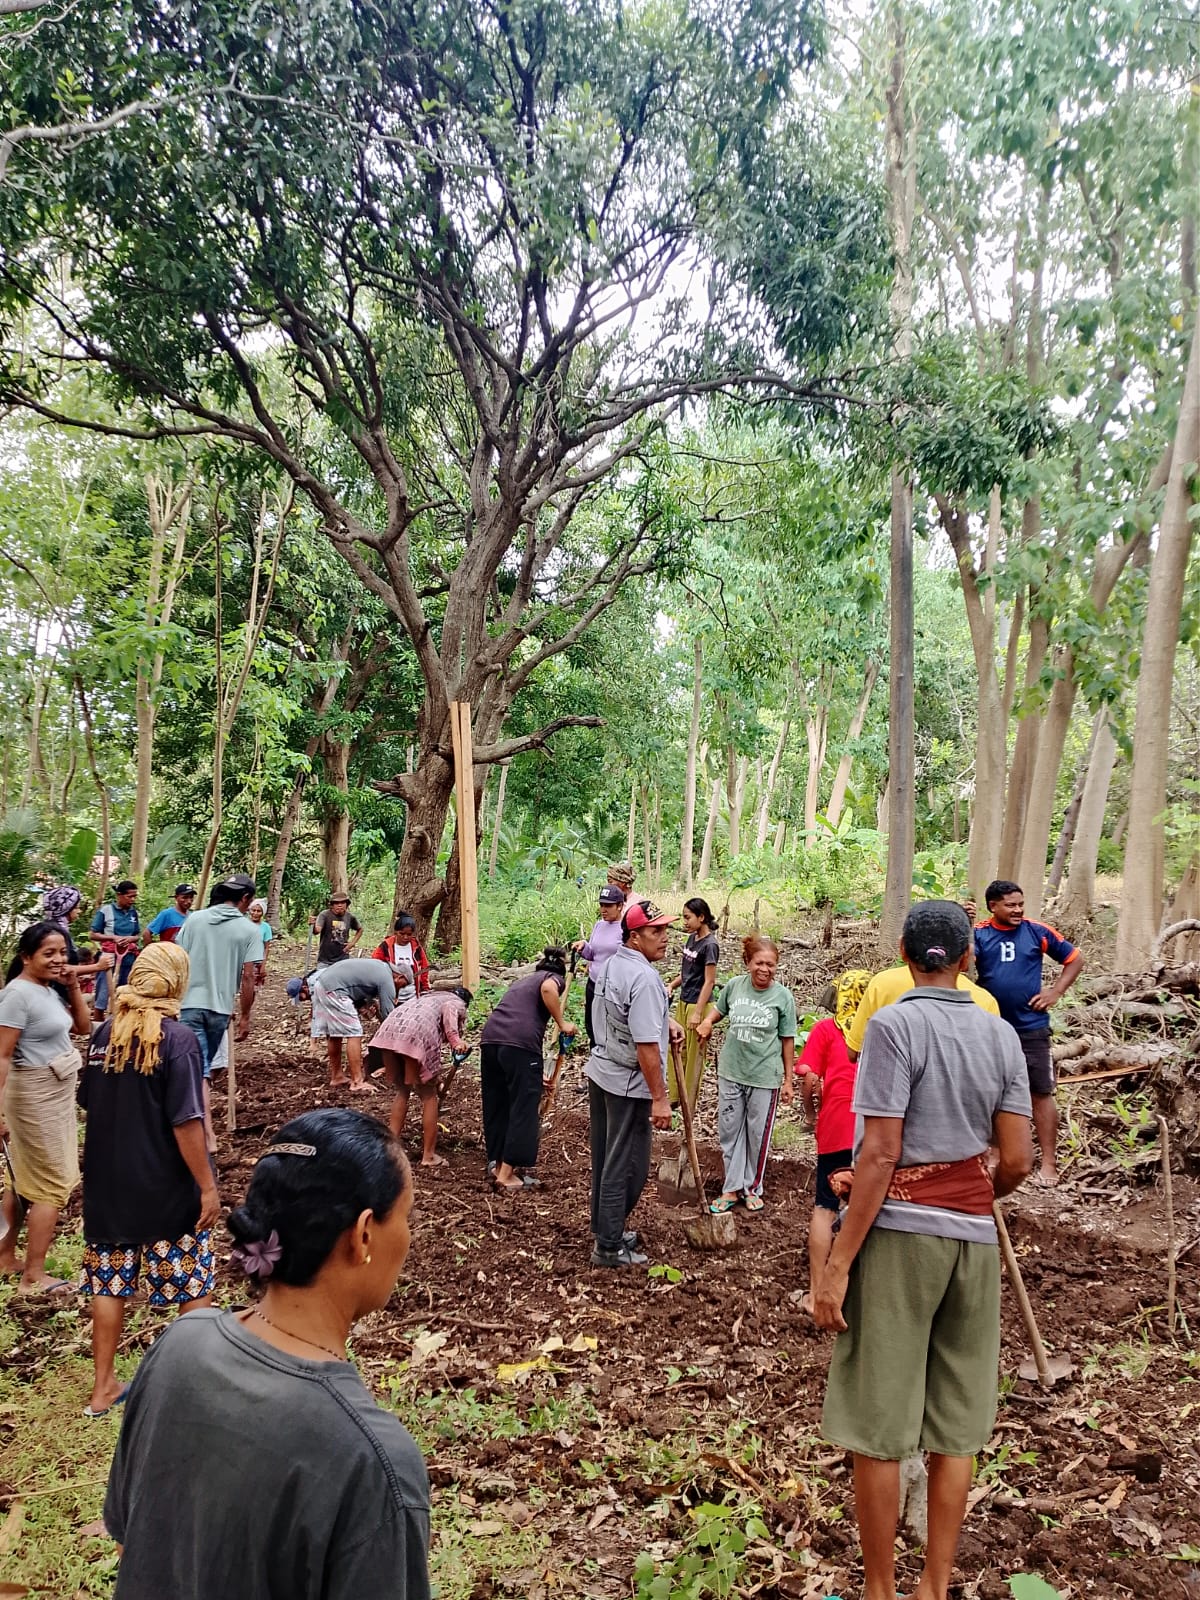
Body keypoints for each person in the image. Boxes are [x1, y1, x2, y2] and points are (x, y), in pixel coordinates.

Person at [102, 1109, 431, 1600]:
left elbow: (132, 1544)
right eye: (406, 1217)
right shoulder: (373, 1462)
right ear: (364, 1234)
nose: (408, 1236)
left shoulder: (178, 1346)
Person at [813, 901, 1034, 1600]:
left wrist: (837, 1264)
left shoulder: (894, 1025)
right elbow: (1018, 1160)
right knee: (956, 1425)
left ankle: (881, 1589)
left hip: (901, 1242)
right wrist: (968, 1189)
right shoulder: (1000, 1035)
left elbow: (880, 1153)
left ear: (904, 955)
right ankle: (934, 1586)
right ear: (968, 958)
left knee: (880, 1421)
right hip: (974, 1245)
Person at [78, 943, 220, 1417]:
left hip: (107, 1186)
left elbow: (87, 1099)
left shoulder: (104, 1034)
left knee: (109, 1283)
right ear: (176, 980)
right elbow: (186, 1121)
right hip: (164, 1186)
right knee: (192, 1283)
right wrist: (207, 1186)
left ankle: (102, 1388)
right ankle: (189, 1390)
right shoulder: (177, 1040)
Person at [586, 900, 682, 1269]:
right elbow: (645, 1046)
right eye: (656, 931)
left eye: (666, 929)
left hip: (603, 1072)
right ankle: (609, 1246)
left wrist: (664, 1019)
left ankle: (606, 1228)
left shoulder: (614, 963)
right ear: (635, 937)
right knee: (628, 1165)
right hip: (627, 1083)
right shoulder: (645, 979)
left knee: (606, 1158)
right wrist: (660, 1098)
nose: (665, 937)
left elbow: (623, 1013)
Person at [0, 922, 91, 1293]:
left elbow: (83, 1027)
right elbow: (2, 1056)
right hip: (32, 1098)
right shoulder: (17, 995)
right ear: (26, 957)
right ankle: (33, 1276)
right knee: (52, 1184)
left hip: (55, 1095)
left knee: (21, 1181)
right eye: (48, 953)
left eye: (62, 952)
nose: (58, 959)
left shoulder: (48, 990)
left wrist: (72, 985)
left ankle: (5, 1257)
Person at [973, 879, 1083, 1187]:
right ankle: (994, 1153)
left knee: (1041, 1093)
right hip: (991, 1027)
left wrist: (1056, 992)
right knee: (992, 1090)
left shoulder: (1037, 931)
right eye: (1010, 905)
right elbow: (963, 962)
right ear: (993, 906)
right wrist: (965, 926)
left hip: (1031, 1027)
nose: (1018, 910)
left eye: (1020, 904)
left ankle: (1048, 1161)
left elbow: (1075, 959)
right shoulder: (980, 933)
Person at [694, 934, 796, 1214]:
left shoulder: (783, 997)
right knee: (729, 1132)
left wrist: (788, 1081)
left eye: (771, 964)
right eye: (759, 963)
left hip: (764, 1076)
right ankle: (731, 1188)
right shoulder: (735, 987)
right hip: (731, 1071)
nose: (765, 969)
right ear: (748, 963)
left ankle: (751, 1188)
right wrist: (707, 1021)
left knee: (756, 1135)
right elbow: (719, 1011)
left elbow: (788, 1039)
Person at [798, 968, 871, 1313]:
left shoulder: (826, 1030)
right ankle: (857, 1295)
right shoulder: (882, 1031)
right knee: (868, 1208)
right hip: (875, 1130)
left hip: (837, 1124)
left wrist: (810, 1114)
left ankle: (816, 1294)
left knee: (825, 1207)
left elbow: (809, 1078)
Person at [480, 948, 576, 1193]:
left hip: (491, 1040)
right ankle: (506, 1175)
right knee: (524, 1106)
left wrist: (533, 1071)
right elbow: (548, 990)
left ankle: (497, 1165)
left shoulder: (523, 981)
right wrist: (562, 1023)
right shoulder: (553, 979)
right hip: (519, 1044)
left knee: (497, 1103)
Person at [176, 874, 260, 1153]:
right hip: (220, 1010)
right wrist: (245, 1016)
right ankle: (206, 1133)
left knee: (199, 1070)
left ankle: (196, 1126)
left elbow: (177, 960)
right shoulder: (249, 930)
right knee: (201, 1070)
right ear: (245, 898)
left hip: (188, 1005)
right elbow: (248, 977)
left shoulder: (194, 920)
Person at [370, 986, 471, 1169]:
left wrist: (436, 1080)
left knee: (402, 1091)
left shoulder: (424, 998)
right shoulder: (455, 1002)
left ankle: (390, 1151)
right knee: (428, 1095)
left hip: (388, 1033)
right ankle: (429, 1156)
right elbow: (450, 1011)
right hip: (415, 1036)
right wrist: (456, 1041)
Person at [844, 951, 1000, 1061]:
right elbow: (992, 1064)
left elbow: (854, 1052)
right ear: (966, 956)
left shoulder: (882, 983)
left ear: (904, 949)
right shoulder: (984, 1000)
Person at [308, 957, 398, 1093]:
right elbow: (388, 1013)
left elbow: (354, 986)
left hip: (321, 985)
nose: (400, 988)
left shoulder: (378, 968)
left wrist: (364, 1006)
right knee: (354, 1032)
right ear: (399, 976)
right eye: (404, 984)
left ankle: (337, 1076)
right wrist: (395, 1037)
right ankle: (357, 1081)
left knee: (334, 1034)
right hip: (334, 989)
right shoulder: (387, 977)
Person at [666, 896, 719, 1107]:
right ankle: (674, 1096)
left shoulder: (710, 945)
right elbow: (686, 972)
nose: (685, 922)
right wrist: (672, 985)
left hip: (699, 1004)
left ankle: (689, 1105)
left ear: (701, 917)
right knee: (676, 1048)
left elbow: (709, 981)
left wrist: (698, 1012)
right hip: (684, 1000)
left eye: (688, 917)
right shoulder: (691, 939)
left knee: (694, 1057)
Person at [573, 885, 626, 1046]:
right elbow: (593, 954)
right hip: (594, 982)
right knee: (591, 1023)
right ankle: (594, 1052)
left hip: (612, 986)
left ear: (619, 906)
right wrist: (584, 947)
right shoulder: (599, 925)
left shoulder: (626, 928)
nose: (603, 909)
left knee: (608, 1025)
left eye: (608, 906)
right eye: (601, 905)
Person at [42, 884, 115, 992]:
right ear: (66, 908)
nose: (79, 911)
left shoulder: (55, 929)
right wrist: (98, 966)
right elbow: (60, 970)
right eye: (76, 907)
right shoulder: (56, 934)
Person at [90, 879, 141, 1019]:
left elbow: (137, 935)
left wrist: (130, 939)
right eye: (130, 896)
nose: (133, 900)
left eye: (135, 896)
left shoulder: (133, 913)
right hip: (108, 958)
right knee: (103, 994)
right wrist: (113, 938)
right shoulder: (106, 911)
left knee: (125, 995)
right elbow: (93, 934)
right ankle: (98, 1024)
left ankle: (120, 1024)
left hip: (128, 959)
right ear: (119, 895)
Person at [372, 913, 430, 1002]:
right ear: (396, 932)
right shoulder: (386, 946)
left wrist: (425, 989)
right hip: (391, 996)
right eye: (402, 934)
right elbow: (375, 966)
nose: (405, 937)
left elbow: (424, 969)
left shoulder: (416, 947)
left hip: (412, 996)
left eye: (409, 934)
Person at [312, 892, 361, 970]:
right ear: (332, 905)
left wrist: (352, 943)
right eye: (336, 903)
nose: (339, 905)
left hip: (343, 958)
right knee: (323, 976)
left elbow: (360, 929)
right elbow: (317, 930)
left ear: (347, 904)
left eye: (342, 903)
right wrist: (313, 924)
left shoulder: (349, 917)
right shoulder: (325, 915)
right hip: (325, 959)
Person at [248, 899, 273, 987]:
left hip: (256, 963)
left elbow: (266, 947)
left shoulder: (266, 927)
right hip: (243, 962)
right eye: (253, 910)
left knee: (253, 988)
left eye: (258, 911)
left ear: (262, 913)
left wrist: (263, 965)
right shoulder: (244, 924)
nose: (255, 913)